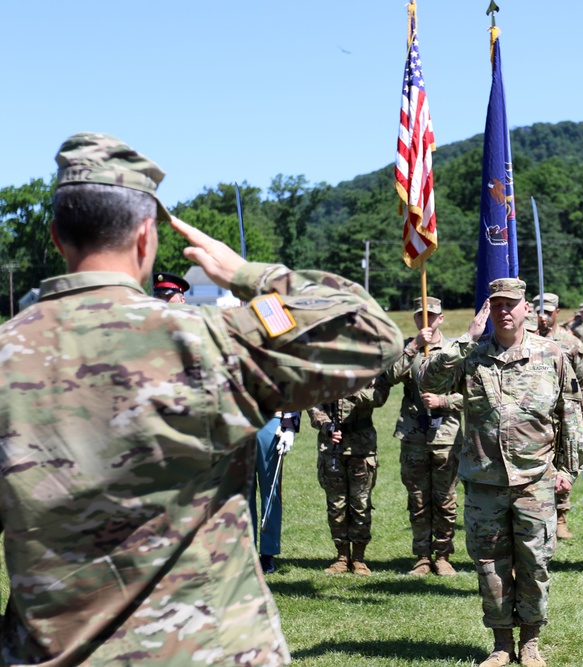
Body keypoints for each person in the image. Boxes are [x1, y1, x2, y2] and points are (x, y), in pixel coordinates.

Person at [0, 132, 403, 665]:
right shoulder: (205, 338)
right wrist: (247, 275)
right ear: (146, 238)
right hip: (206, 648)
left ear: (56, 236)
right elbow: (371, 331)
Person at [421, 278, 583, 667]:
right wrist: (465, 339)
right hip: (485, 481)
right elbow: (428, 379)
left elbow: (570, 413)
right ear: (488, 311)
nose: (504, 311)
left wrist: (568, 468)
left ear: (527, 308)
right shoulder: (472, 356)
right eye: (496, 306)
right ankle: (501, 644)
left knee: (535, 563)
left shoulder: (552, 355)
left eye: (511, 304)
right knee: (490, 565)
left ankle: (530, 642)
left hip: (536, 480)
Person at [382, 296, 464, 576]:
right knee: (417, 499)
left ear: (441, 318)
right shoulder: (407, 347)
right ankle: (421, 556)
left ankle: (442, 556)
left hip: (446, 435)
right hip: (414, 434)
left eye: (432, 315)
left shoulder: (455, 349)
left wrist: (444, 402)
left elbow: (472, 393)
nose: (426, 320)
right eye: (421, 315)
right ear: (414, 318)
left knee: (445, 499)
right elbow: (390, 377)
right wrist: (414, 346)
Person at [308, 377, 389, 576]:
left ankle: (359, 558)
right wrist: (326, 426)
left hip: (362, 446)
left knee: (360, 504)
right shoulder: (323, 370)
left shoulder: (370, 369)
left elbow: (378, 397)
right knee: (336, 505)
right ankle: (342, 557)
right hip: (332, 447)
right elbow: (312, 402)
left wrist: (350, 390)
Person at [536, 292, 583, 540]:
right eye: (540, 311)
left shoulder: (571, 343)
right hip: (537, 418)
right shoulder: (527, 340)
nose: (543, 317)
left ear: (557, 313)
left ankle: (561, 517)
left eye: (548, 312)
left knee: (565, 463)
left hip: (564, 416)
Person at [250, 411, 300, 574]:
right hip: (238, 418)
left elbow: (292, 387)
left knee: (271, 490)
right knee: (241, 494)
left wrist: (290, 425)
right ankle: (245, 551)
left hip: (271, 418)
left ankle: (267, 553)